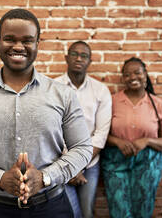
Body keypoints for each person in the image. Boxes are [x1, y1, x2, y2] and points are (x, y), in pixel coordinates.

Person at [0, 8, 92, 218]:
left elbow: (82, 148)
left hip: (51, 207)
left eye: (27, 40)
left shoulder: (63, 95)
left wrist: (45, 177)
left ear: (37, 44)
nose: (17, 46)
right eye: (9, 39)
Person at [101, 57, 162, 218]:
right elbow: (100, 133)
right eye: (127, 74)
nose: (132, 77)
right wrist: (118, 141)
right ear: (123, 78)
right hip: (115, 162)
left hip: (148, 164)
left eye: (137, 73)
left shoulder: (157, 103)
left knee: (143, 208)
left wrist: (147, 140)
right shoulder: (112, 101)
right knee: (118, 208)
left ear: (145, 74)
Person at [55, 41, 112, 218]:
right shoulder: (53, 87)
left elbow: (101, 135)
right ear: (66, 58)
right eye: (74, 54)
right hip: (61, 163)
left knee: (87, 212)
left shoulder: (100, 90)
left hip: (90, 164)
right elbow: (51, 131)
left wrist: (79, 165)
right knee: (69, 212)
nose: (79, 58)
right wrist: (70, 166)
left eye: (84, 55)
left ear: (90, 61)